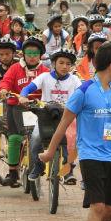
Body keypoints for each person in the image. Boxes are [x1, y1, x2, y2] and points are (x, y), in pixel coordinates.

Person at [39, 42, 111, 221]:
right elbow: (63, 124)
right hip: (91, 156)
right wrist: (49, 152)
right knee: (97, 207)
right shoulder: (84, 91)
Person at [19, 49, 82, 183]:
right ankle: (38, 165)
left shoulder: (75, 80)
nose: (65, 66)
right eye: (61, 63)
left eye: (68, 64)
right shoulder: (44, 77)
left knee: (71, 141)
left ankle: (68, 170)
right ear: (53, 63)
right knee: (35, 139)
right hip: (45, 117)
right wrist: (23, 96)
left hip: (67, 117)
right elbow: (27, 88)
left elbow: (84, 93)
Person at [0, 36, 50, 187]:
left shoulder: (45, 71)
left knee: (41, 137)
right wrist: (3, 89)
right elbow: (6, 81)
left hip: (39, 108)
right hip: (17, 107)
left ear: (40, 55)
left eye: (35, 53)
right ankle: (13, 172)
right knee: (15, 138)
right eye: (29, 53)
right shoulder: (15, 68)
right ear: (23, 54)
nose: (32, 57)